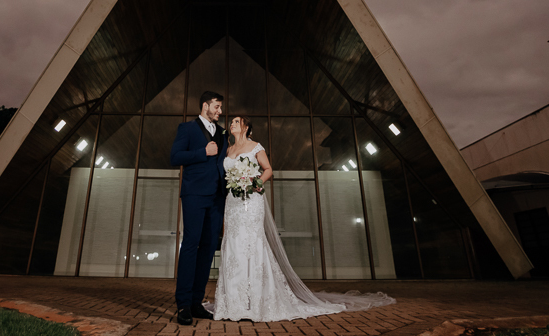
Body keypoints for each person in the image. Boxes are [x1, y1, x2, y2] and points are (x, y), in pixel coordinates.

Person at [212, 115, 396, 322]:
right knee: (234, 245)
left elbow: (268, 169)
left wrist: (256, 182)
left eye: (236, 122)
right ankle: (234, 303)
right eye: (231, 123)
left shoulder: (256, 147)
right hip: (233, 203)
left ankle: (256, 301)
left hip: (251, 201)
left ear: (245, 127)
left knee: (251, 245)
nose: (232, 124)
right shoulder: (228, 150)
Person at [169, 91, 228, 326]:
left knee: (208, 248)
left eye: (221, 108)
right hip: (194, 194)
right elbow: (175, 157)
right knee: (191, 245)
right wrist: (202, 152)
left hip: (217, 197)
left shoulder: (223, 132)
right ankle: (183, 304)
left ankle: (196, 302)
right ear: (205, 106)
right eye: (217, 106)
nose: (220, 111)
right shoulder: (187, 128)